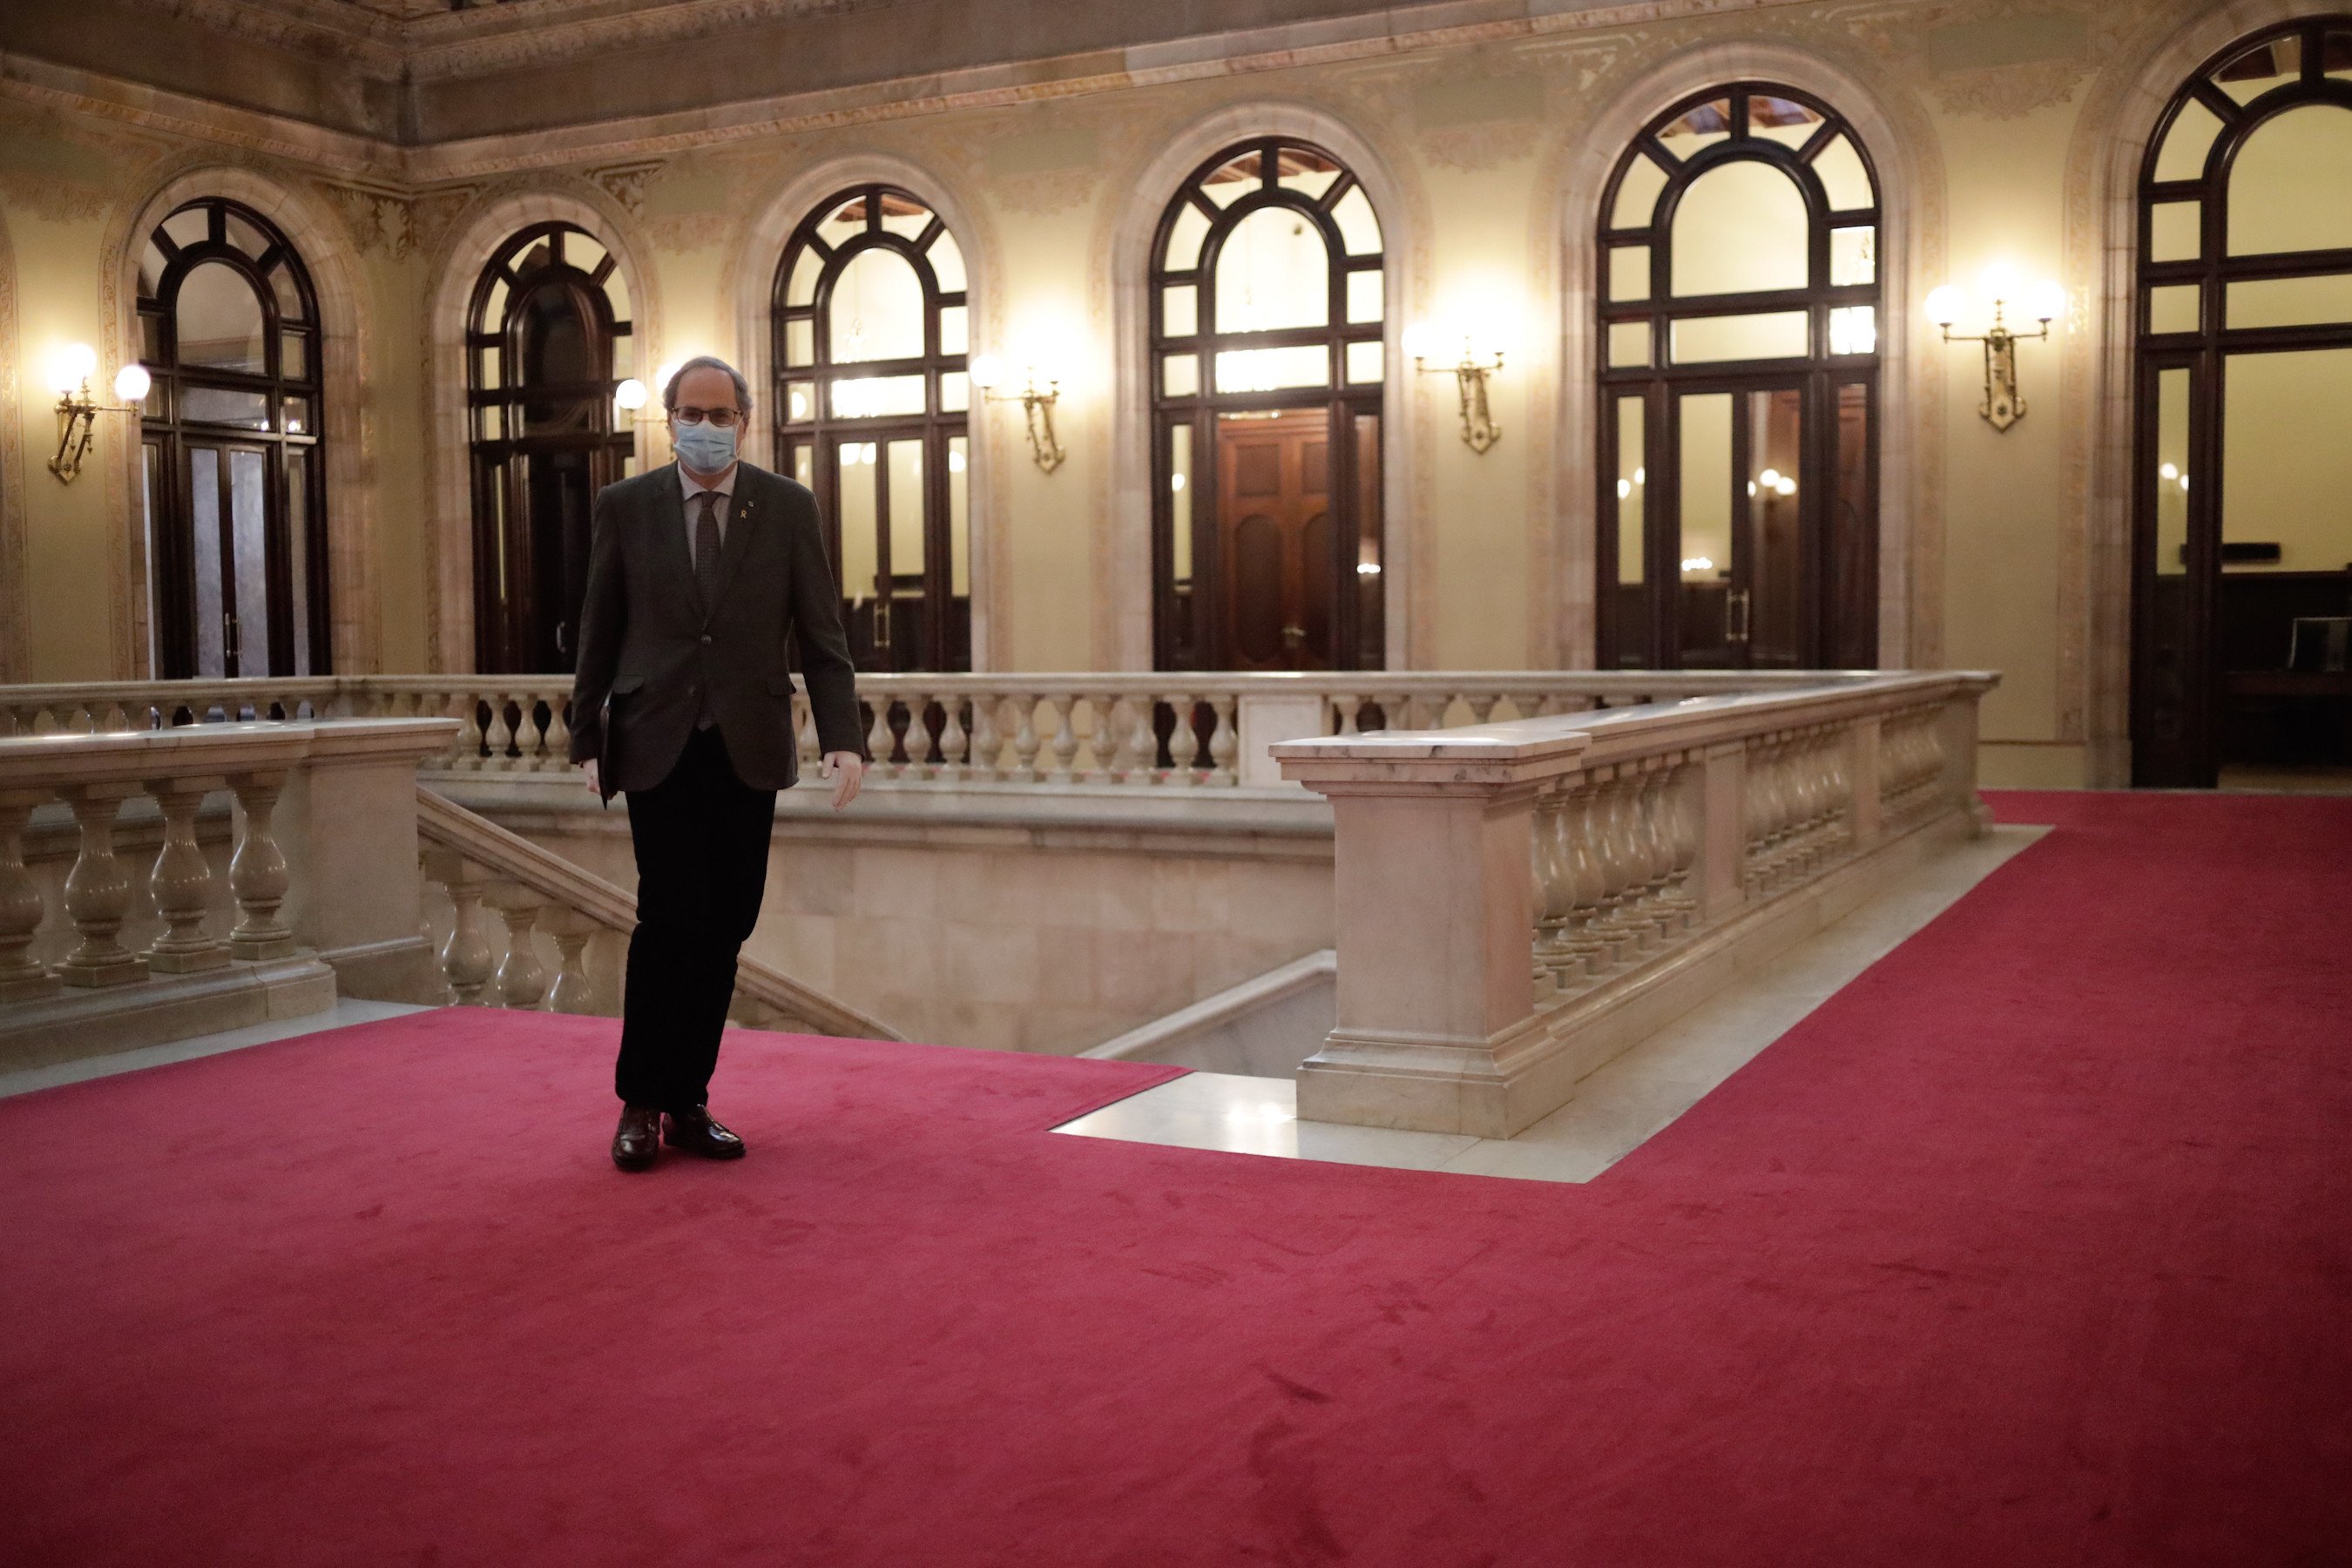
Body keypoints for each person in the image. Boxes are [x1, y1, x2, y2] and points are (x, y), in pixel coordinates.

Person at [568, 355, 866, 1172]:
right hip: (655, 740)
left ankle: (687, 1100)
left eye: (720, 413)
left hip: (747, 743)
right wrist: (586, 736)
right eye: (691, 412)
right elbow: (600, 627)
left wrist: (844, 734)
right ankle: (639, 1100)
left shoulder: (786, 507)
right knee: (667, 921)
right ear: (669, 421)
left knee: (727, 922)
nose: (706, 427)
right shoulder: (625, 508)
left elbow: (821, 635)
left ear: (745, 419)